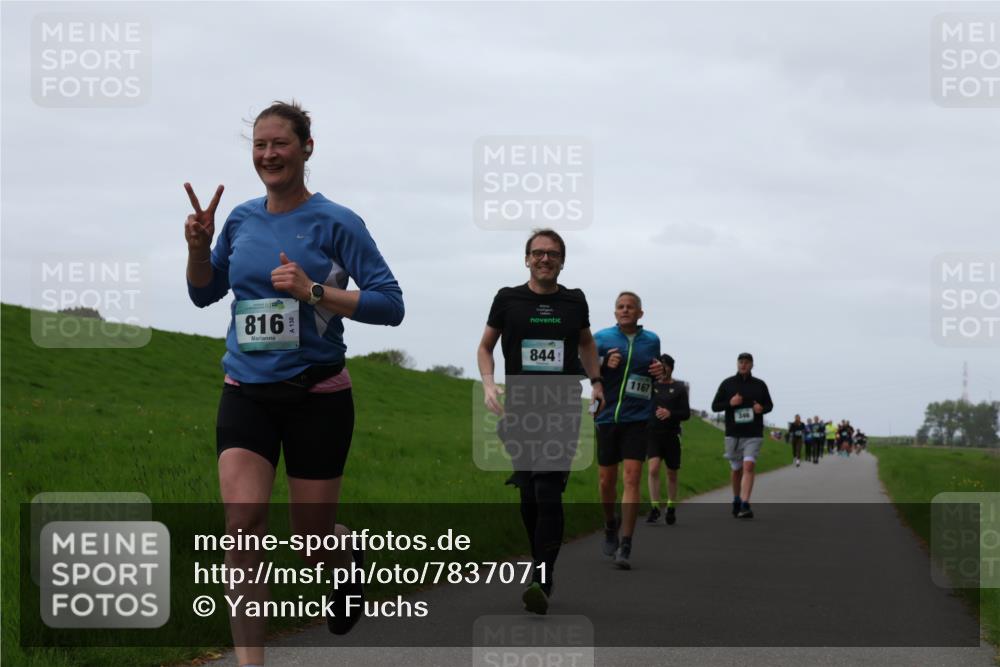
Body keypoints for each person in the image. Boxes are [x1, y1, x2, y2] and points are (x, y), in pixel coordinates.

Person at [186, 101, 404, 666]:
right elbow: (204, 293)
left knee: (312, 541)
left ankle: (345, 561)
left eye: (280, 143)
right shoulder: (239, 219)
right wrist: (195, 250)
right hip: (246, 390)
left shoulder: (338, 222)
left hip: (318, 396)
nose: (268, 155)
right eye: (259, 145)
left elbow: (390, 305)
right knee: (242, 529)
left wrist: (314, 292)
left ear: (307, 148)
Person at [477, 229, 604, 614]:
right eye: (538, 253)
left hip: (562, 405)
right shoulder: (507, 298)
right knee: (529, 493)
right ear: (527, 259)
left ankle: (542, 578)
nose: (545, 259)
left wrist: (596, 381)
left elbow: (585, 342)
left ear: (562, 261)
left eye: (552, 253)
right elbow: (485, 346)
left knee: (548, 488)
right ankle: (539, 564)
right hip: (520, 407)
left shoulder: (574, 301)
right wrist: (488, 384)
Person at [594, 292, 662, 569]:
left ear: (640, 313)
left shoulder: (652, 340)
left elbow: (654, 372)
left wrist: (660, 370)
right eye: (620, 307)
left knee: (632, 478)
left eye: (630, 307)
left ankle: (626, 544)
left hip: (638, 418)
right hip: (608, 417)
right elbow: (578, 366)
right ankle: (611, 524)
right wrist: (601, 364)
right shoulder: (601, 338)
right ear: (615, 313)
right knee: (606, 481)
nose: (625, 311)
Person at [710, 352, 774, 519]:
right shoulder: (727, 383)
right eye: (741, 362)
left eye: (746, 362)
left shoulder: (760, 385)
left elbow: (769, 405)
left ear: (752, 365)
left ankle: (745, 504)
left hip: (753, 433)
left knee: (748, 466)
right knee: (736, 469)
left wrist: (762, 409)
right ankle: (737, 499)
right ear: (737, 364)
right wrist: (730, 403)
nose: (743, 365)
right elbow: (715, 406)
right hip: (733, 433)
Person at [645, 354, 690, 526]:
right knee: (653, 469)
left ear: (671, 368)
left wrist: (671, 414)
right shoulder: (651, 385)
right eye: (660, 365)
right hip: (653, 433)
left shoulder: (679, 388)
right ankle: (655, 507)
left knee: (671, 473)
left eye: (666, 366)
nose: (663, 369)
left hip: (672, 434)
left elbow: (685, 414)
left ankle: (670, 506)